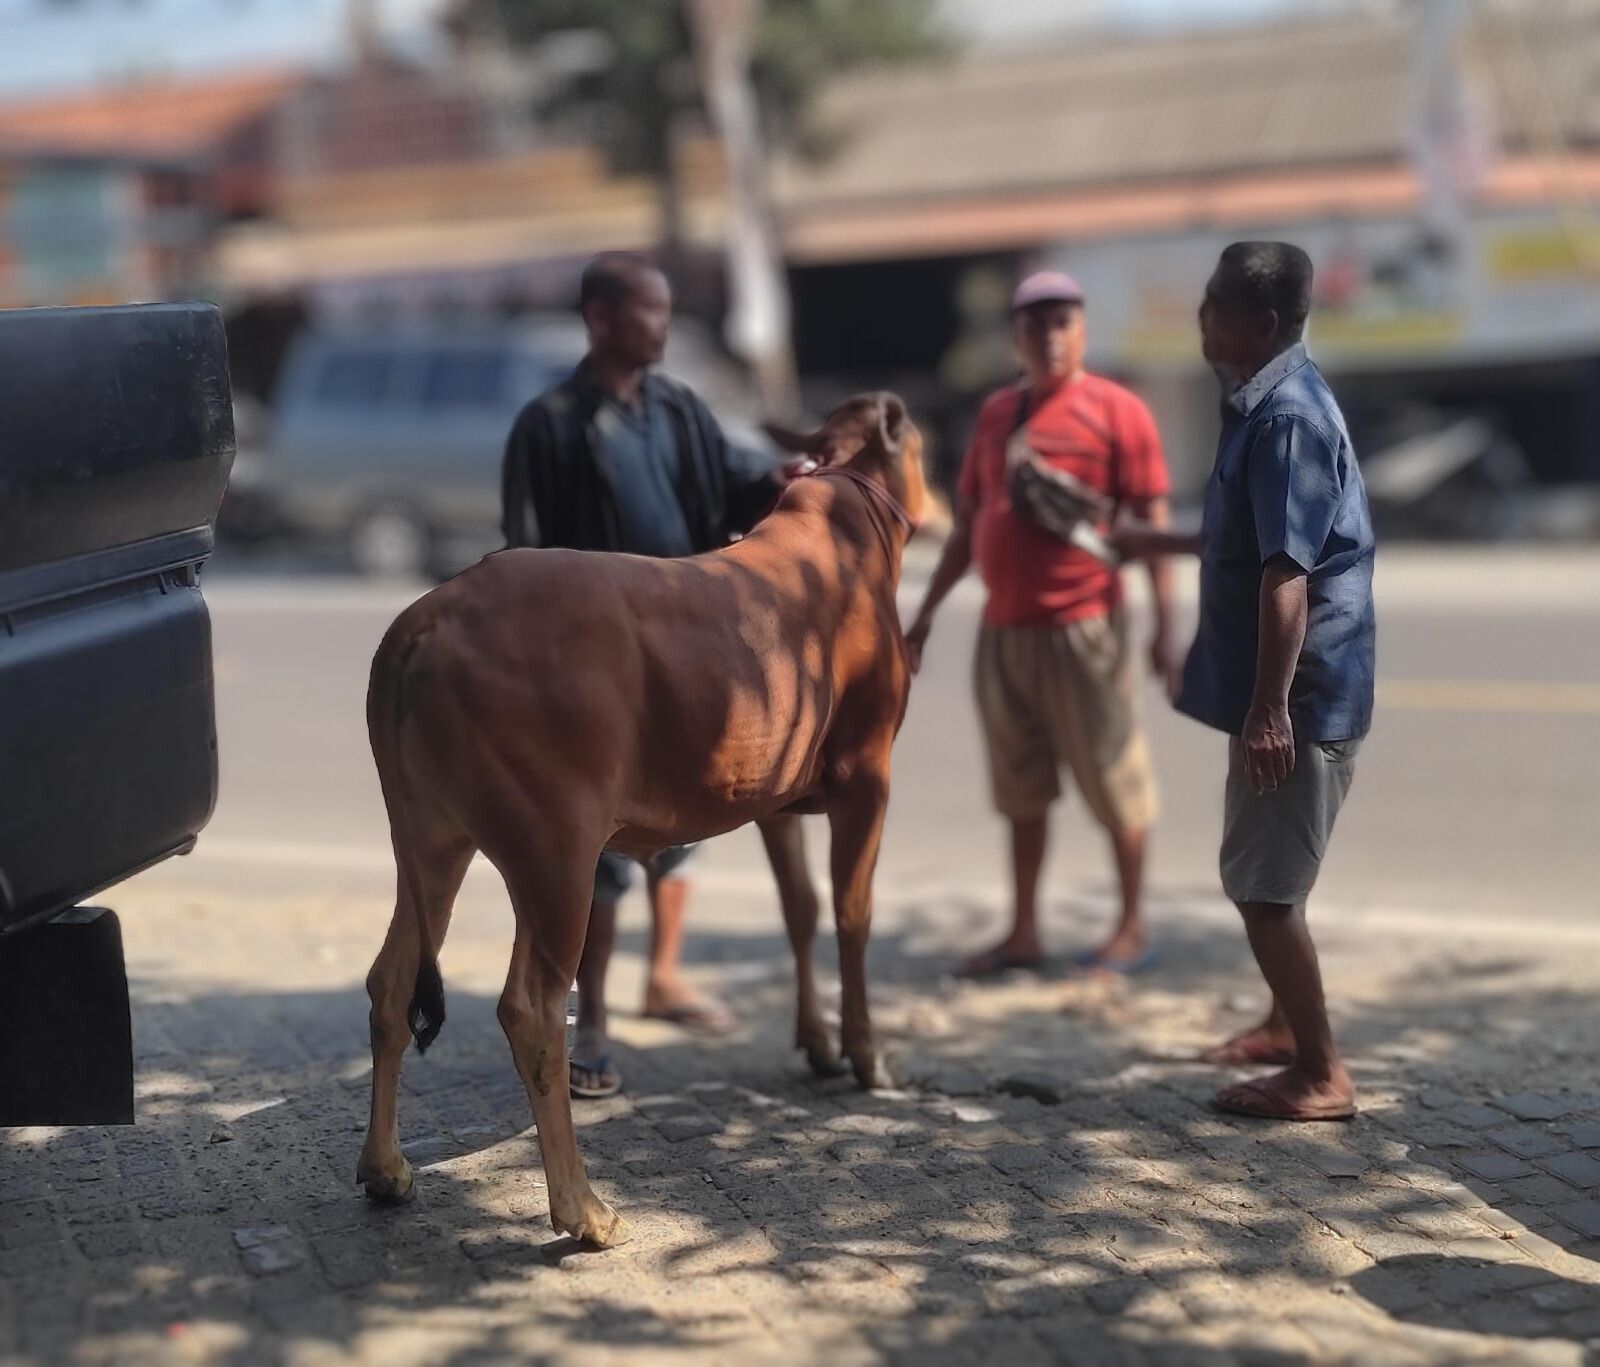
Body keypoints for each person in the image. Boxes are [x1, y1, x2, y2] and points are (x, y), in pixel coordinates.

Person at [501, 251, 783, 1099]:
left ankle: (664, 976)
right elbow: (521, 555)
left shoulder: (680, 408)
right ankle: (594, 1019)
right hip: (597, 670)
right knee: (603, 846)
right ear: (601, 320)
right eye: (649, 311)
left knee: (688, 819)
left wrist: (788, 479)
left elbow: (740, 485)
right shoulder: (549, 424)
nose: (664, 325)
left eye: (666, 310)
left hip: (688, 654)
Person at [1115, 241, 1375, 1121]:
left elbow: (1286, 576)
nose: (1201, 317)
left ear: (1259, 323)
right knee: (1272, 872)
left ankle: (1321, 1072)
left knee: (1263, 895)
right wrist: (1143, 543)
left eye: (1214, 302)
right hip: (1278, 690)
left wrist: (1269, 710)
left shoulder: (1288, 417)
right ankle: (1280, 1023)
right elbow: (1242, 536)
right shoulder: (1259, 406)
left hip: (1298, 695)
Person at [905, 271, 1178, 977]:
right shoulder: (997, 414)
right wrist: (926, 614)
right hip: (1004, 629)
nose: (1050, 335)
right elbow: (968, 525)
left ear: (1083, 329)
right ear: (1017, 337)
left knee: (1115, 779)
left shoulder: (1120, 411)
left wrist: (1166, 630)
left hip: (1085, 625)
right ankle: (1023, 929)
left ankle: (1130, 923)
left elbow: (1151, 527)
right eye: (1035, 324)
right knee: (1020, 787)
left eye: (1063, 321)